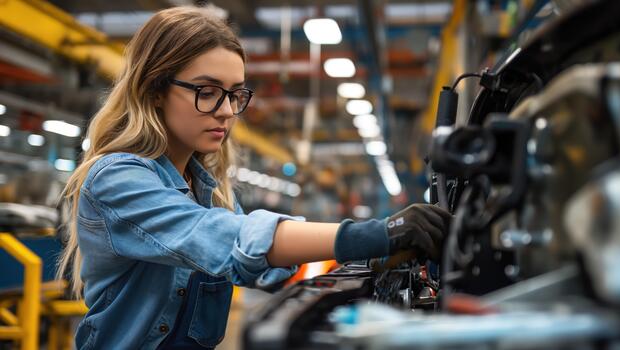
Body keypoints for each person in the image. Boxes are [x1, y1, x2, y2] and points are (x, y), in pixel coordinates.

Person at [56, 6, 451, 350]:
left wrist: (380, 258)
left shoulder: (208, 190)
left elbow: (266, 266)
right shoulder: (117, 178)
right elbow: (230, 240)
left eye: (235, 94)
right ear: (156, 90)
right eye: (208, 91)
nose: (227, 111)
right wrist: (378, 232)